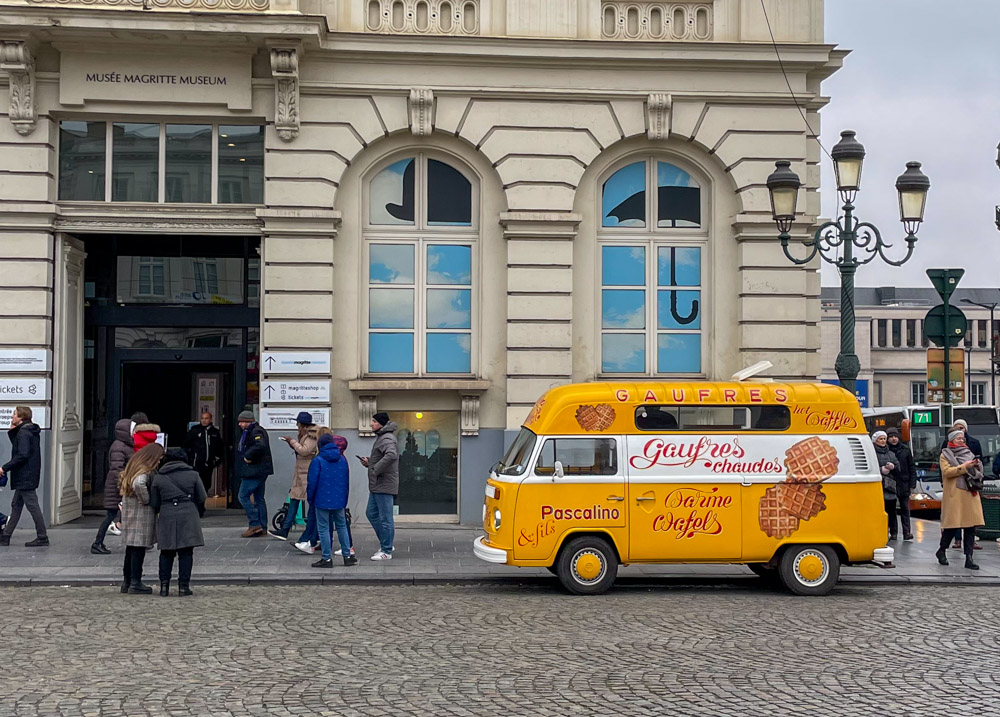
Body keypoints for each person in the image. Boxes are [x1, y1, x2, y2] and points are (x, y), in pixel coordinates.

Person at [150, 447, 207, 596]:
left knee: (166, 552)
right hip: (188, 512)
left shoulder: (158, 477)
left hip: (167, 513)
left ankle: (164, 586)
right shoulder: (193, 475)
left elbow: (154, 502)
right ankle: (183, 586)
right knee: (186, 551)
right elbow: (202, 497)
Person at [935, 429, 985, 570]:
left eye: (963, 439)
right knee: (952, 526)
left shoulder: (969, 452)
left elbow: (978, 473)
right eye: (958, 439)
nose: (962, 441)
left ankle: (969, 558)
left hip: (970, 493)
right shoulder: (945, 454)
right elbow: (947, 472)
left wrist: (977, 465)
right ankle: (941, 550)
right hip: (955, 494)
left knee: (970, 527)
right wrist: (965, 467)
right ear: (951, 440)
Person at [118, 443, 164, 595]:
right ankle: (135, 581)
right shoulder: (145, 469)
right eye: (158, 459)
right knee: (138, 547)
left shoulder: (134, 465)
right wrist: (146, 499)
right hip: (141, 513)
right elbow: (139, 483)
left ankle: (127, 581)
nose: (159, 461)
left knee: (131, 547)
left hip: (131, 512)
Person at [307, 433, 357, 568]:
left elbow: (312, 483)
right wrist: (344, 498)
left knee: (323, 528)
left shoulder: (318, 460)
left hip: (321, 499)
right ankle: (347, 556)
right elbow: (346, 481)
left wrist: (310, 499)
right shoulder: (342, 459)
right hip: (339, 499)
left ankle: (327, 558)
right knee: (342, 526)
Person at [0, 407, 47, 547]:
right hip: (27, 475)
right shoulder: (27, 431)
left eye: (14, 414)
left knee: (33, 506)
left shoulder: (24, 433)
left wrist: (4, 467)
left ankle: (42, 536)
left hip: (25, 475)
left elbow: (22, 454)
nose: (12, 417)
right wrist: (12, 430)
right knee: (16, 506)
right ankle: (6, 536)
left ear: (21, 417)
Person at [269, 412, 317, 541]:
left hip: (307, 473)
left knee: (310, 502)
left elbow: (305, 451)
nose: (296, 425)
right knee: (294, 499)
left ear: (301, 424)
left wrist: (292, 441)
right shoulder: (305, 435)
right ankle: (285, 529)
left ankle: (313, 532)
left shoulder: (311, 436)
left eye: (298, 423)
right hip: (301, 472)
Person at [360, 411, 398, 561]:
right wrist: (370, 463)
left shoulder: (387, 438)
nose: (371, 424)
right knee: (371, 513)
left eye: (374, 421)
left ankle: (386, 551)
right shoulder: (382, 437)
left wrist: (375, 469)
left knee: (386, 518)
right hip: (377, 484)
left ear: (381, 424)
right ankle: (386, 543)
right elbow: (385, 457)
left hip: (384, 484)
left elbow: (391, 455)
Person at [235, 410, 272, 538]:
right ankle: (262, 527)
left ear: (248, 421)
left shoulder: (256, 431)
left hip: (254, 471)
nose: (239, 424)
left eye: (242, 421)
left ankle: (255, 523)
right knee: (259, 498)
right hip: (261, 470)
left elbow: (260, 446)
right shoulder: (253, 431)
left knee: (242, 496)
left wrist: (248, 456)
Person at [183, 411, 224, 496]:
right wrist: (190, 459)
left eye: (206, 418)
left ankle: (203, 502)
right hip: (196, 463)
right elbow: (186, 445)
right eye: (202, 418)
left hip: (209, 464)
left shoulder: (214, 432)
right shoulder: (195, 430)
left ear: (210, 419)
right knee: (196, 484)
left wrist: (217, 460)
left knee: (206, 484)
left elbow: (219, 447)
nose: (204, 420)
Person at [886, 428, 915, 541]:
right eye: (891, 437)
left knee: (905, 509)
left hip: (904, 482)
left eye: (895, 436)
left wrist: (912, 483)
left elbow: (911, 467)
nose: (894, 439)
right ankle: (893, 532)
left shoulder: (905, 450)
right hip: (891, 483)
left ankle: (906, 532)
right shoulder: (886, 451)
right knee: (891, 509)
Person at [872, 431, 897, 542]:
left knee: (891, 510)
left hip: (889, 486)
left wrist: (893, 467)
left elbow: (899, 467)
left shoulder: (891, 454)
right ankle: (881, 531)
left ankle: (894, 532)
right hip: (877, 486)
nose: (883, 441)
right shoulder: (871, 453)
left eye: (884, 439)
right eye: (880, 439)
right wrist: (880, 470)